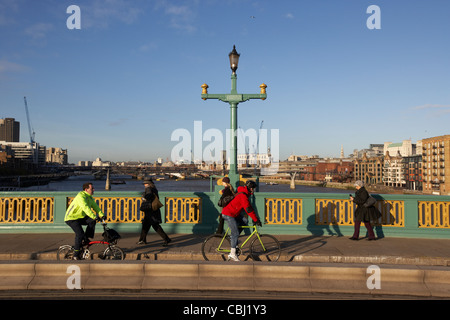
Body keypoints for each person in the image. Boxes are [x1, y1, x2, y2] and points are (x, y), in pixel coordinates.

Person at [221, 180, 262, 261]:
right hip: (228, 214)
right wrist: (256, 220)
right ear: (249, 188)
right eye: (252, 188)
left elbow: (249, 207)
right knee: (235, 233)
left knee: (245, 221)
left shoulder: (244, 194)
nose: (253, 190)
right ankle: (232, 254)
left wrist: (255, 218)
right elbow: (248, 209)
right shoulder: (243, 195)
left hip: (233, 213)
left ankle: (233, 238)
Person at [65, 182, 106, 260]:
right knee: (79, 234)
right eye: (92, 189)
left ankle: (86, 238)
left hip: (80, 217)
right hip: (71, 218)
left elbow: (95, 207)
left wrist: (101, 215)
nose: (94, 190)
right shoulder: (81, 196)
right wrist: (94, 216)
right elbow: (85, 208)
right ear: (86, 189)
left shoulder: (89, 197)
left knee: (92, 221)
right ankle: (75, 255)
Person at [137, 178, 171, 246]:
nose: (144, 185)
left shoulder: (148, 188)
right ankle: (142, 240)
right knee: (145, 225)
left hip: (150, 211)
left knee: (155, 226)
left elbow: (148, 196)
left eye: (145, 184)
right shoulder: (154, 189)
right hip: (153, 210)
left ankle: (166, 239)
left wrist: (144, 196)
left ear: (148, 184)